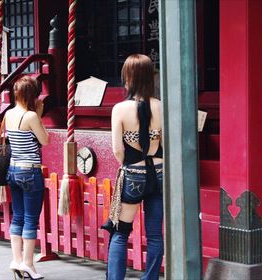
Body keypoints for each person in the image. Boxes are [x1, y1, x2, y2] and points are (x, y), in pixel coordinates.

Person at [104, 54, 164, 280]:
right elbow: (165, 144)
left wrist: (127, 165)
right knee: (156, 235)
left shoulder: (119, 109)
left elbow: (118, 150)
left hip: (134, 173)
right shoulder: (160, 106)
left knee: (120, 232)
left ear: (128, 78)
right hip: (159, 172)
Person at [5, 76, 49, 280]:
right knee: (31, 219)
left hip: (13, 170)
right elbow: (45, 140)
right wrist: (38, 115)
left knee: (18, 216)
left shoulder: (8, 113)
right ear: (32, 95)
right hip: (30, 171)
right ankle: (28, 263)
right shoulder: (30, 116)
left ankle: (16, 259)